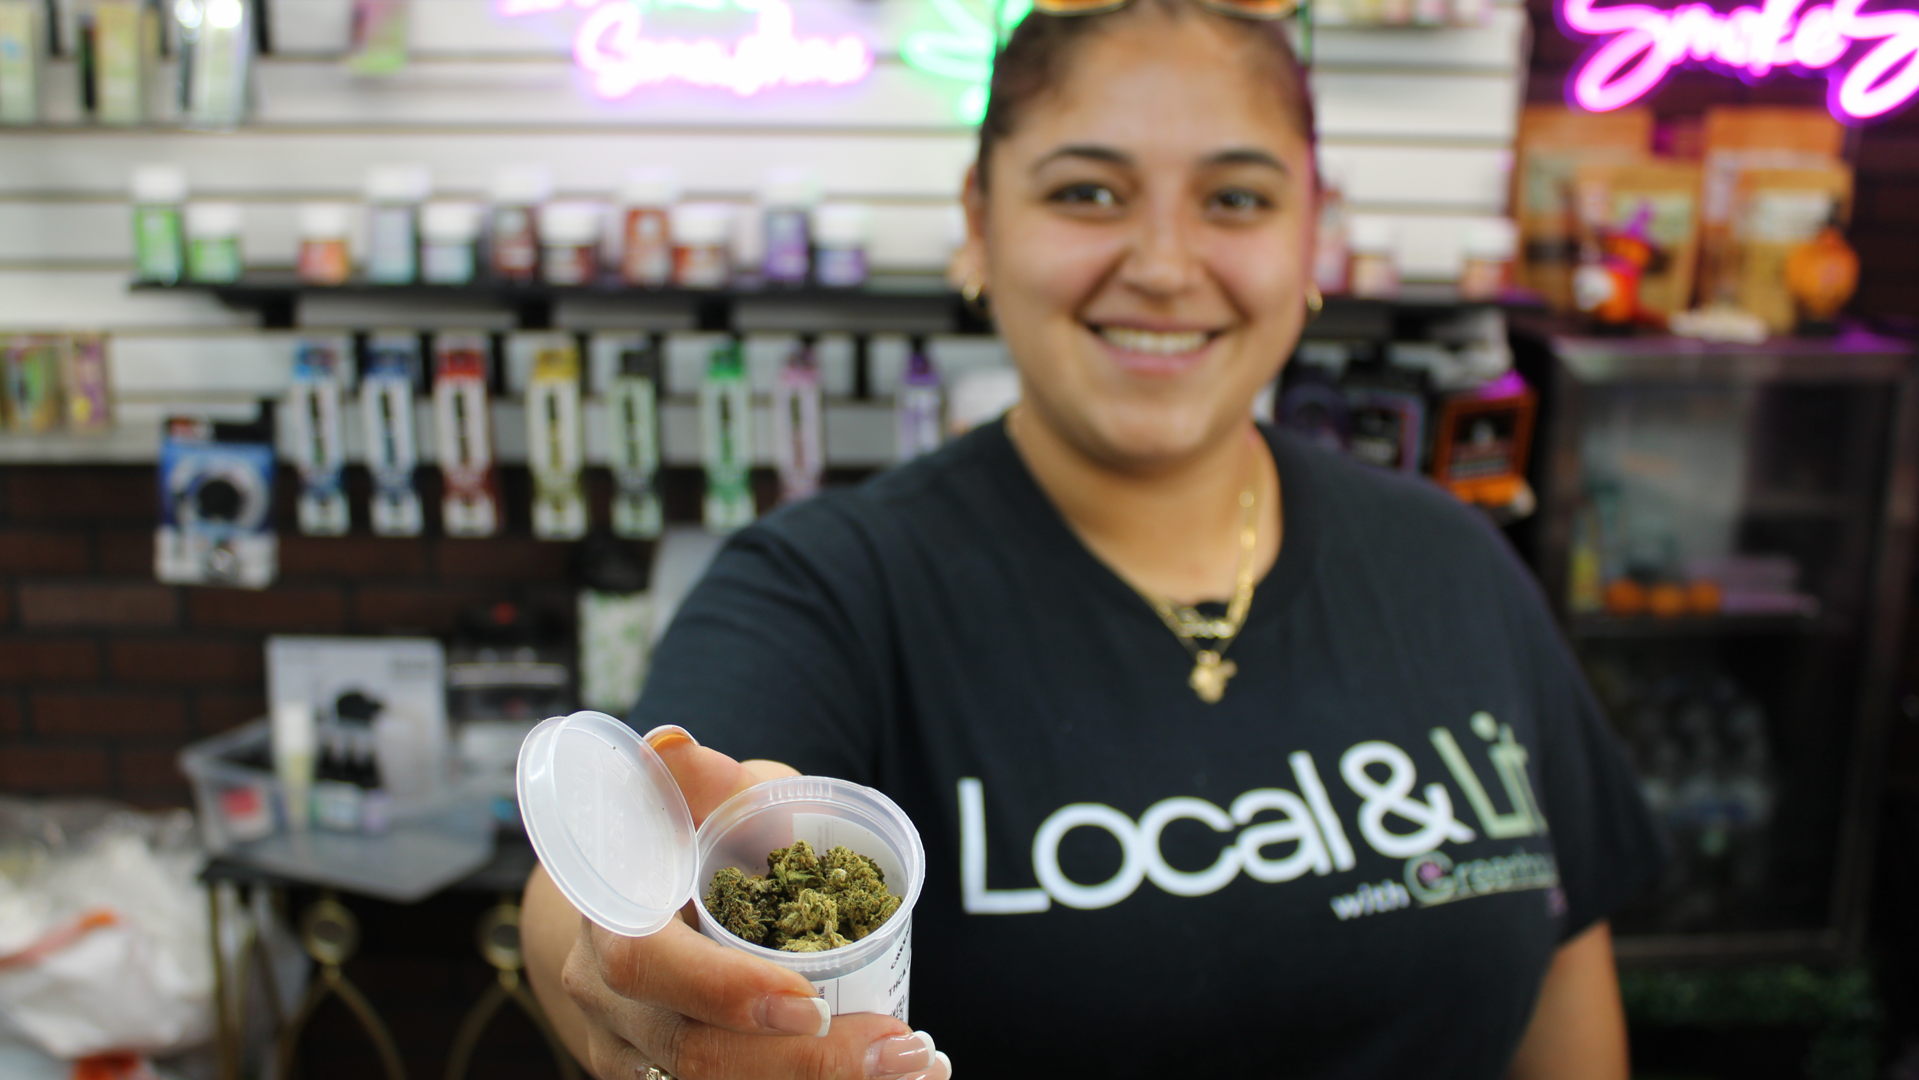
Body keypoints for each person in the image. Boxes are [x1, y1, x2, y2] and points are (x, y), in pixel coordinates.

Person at [522, 1, 1665, 1077]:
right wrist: (632, 948)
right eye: (1085, 194)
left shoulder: (1450, 562)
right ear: (978, 225)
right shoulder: (828, 585)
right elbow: (626, 875)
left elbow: (1566, 980)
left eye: (1234, 200)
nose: (1164, 267)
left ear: (1313, 232)